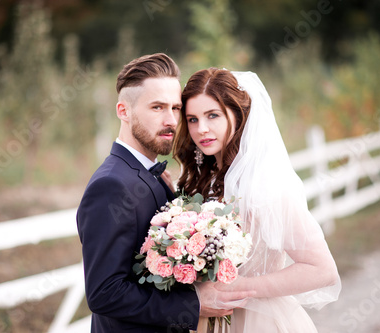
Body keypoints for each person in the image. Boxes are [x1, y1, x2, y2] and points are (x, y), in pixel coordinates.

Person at [76, 55, 255, 333]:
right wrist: (192, 305)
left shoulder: (153, 174)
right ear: (124, 111)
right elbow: (105, 292)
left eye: (175, 108)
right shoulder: (110, 185)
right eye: (157, 107)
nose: (171, 120)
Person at [173, 68, 341, 332]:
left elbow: (322, 269)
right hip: (207, 320)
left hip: (259, 320)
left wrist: (239, 288)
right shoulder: (203, 180)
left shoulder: (265, 186)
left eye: (213, 115)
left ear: (238, 117)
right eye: (192, 119)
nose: (201, 129)